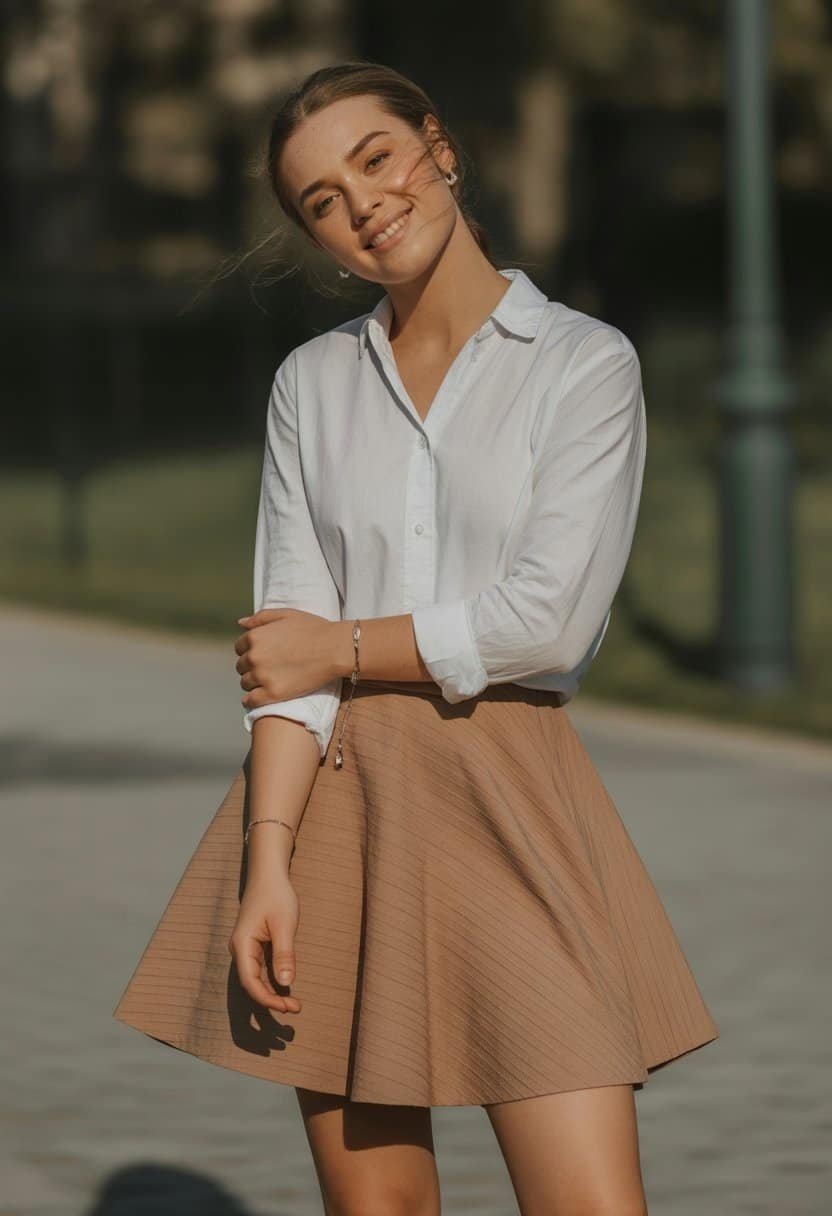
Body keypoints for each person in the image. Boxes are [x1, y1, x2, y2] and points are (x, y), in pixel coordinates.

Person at [113, 60, 719, 1216]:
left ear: (436, 146)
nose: (363, 203)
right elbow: (280, 665)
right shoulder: (311, 387)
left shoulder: (584, 364)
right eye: (322, 200)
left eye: (374, 159)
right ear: (320, 240)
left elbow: (544, 622)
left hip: (512, 799)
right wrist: (267, 862)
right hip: (338, 809)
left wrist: (336, 648)